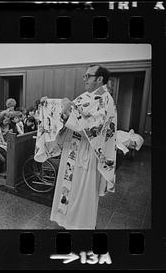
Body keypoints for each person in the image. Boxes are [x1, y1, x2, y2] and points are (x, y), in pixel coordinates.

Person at [39, 65, 117, 230]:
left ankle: (81, 226)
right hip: (72, 149)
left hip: (86, 152)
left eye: (88, 76)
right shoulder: (86, 96)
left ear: (99, 79)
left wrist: (70, 109)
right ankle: (67, 222)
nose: (84, 79)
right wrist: (50, 106)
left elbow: (95, 126)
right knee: (68, 189)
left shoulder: (105, 99)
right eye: (85, 76)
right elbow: (68, 115)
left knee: (82, 194)